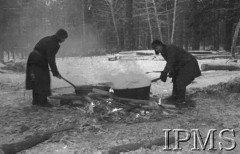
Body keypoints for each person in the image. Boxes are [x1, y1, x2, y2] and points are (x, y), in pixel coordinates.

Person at [25, 29, 68, 107]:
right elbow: (51, 59)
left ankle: (36, 100)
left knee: (37, 80)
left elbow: (47, 56)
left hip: (34, 58)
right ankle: (43, 101)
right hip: (38, 60)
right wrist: (56, 73)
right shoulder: (53, 43)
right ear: (60, 37)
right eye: (64, 38)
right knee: (44, 80)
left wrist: (54, 71)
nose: (64, 40)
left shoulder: (49, 38)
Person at [151, 39, 201, 105]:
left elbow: (171, 61)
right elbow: (172, 62)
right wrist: (172, 71)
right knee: (175, 78)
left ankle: (181, 100)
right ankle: (175, 96)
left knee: (180, 80)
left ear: (161, 45)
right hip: (181, 65)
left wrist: (165, 72)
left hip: (189, 63)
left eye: (157, 48)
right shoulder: (163, 52)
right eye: (155, 49)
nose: (157, 50)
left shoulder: (170, 48)